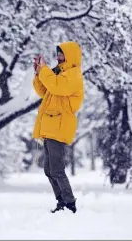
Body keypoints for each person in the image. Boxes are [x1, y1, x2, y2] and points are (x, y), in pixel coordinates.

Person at [32, 41, 84, 214]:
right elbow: (45, 91)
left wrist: (45, 71)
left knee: (57, 169)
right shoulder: (59, 73)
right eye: (58, 54)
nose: (58, 57)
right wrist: (38, 72)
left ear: (70, 56)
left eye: (61, 54)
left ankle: (69, 203)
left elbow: (56, 86)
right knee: (49, 170)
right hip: (50, 127)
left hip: (59, 127)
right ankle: (62, 201)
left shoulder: (73, 75)